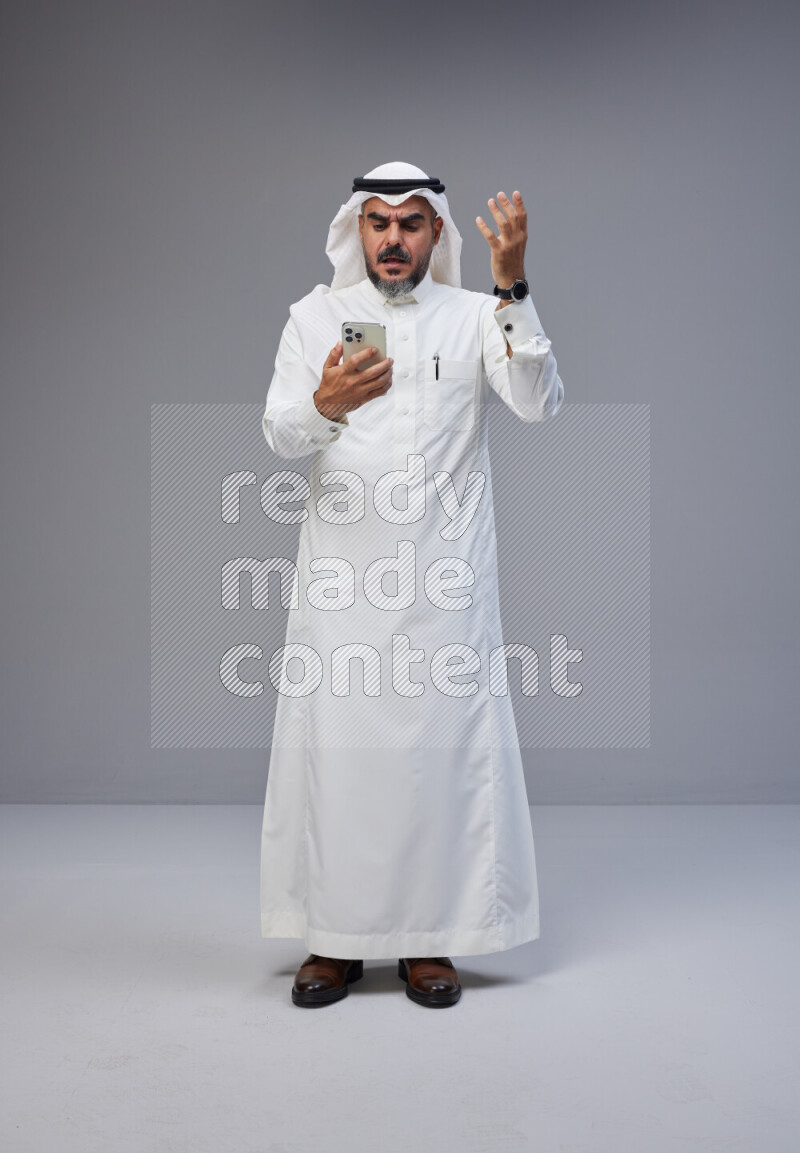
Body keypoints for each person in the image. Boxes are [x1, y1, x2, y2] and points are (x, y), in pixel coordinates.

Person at [259, 161, 564, 1008]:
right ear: (357, 230)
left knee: (439, 763)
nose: (393, 238)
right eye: (379, 221)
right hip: (343, 586)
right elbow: (281, 435)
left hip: (444, 586)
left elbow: (539, 402)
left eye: (412, 223)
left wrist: (514, 287)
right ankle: (334, 940)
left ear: (437, 234)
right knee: (342, 760)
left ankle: (431, 940)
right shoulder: (314, 316)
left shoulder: (475, 315)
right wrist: (324, 402)